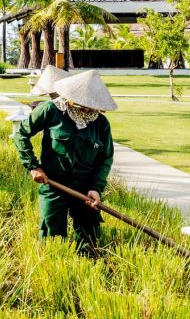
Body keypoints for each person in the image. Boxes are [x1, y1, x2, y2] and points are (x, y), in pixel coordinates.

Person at [13, 69, 116, 253]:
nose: (86, 110)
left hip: (86, 190)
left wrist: (96, 188)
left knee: (89, 240)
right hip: (53, 184)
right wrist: (33, 166)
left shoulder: (101, 124)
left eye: (91, 107)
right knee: (52, 240)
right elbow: (21, 134)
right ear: (70, 98)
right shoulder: (51, 110)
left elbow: (105, 159)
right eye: (82, 106)